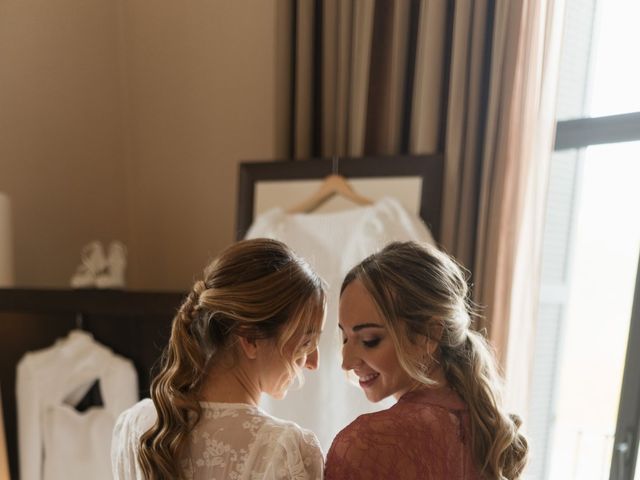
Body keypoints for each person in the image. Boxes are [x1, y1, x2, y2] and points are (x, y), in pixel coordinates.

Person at [111, 238, 327, 480]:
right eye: (306, 343)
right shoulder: (287, 450)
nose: (313, 362)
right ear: (251, 338)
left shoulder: (135, 425)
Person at [325, 241, 528, 480]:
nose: (346, 363)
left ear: (429, 335)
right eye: (345, 338)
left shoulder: (367, 443)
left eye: (370, 340)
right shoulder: (486, 431)